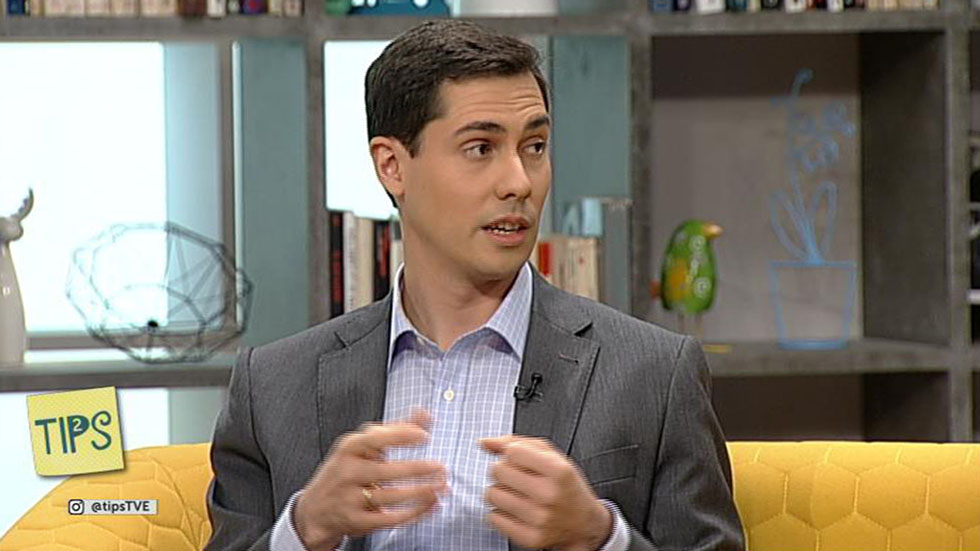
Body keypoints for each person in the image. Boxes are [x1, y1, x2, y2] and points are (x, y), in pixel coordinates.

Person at [205, 19, 744, 551]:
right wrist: (305, 529)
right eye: (481, 148)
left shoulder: (653, 375)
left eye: (535, 146)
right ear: (392, 166)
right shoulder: (272, 389)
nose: (519, 183)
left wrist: (600, 538)